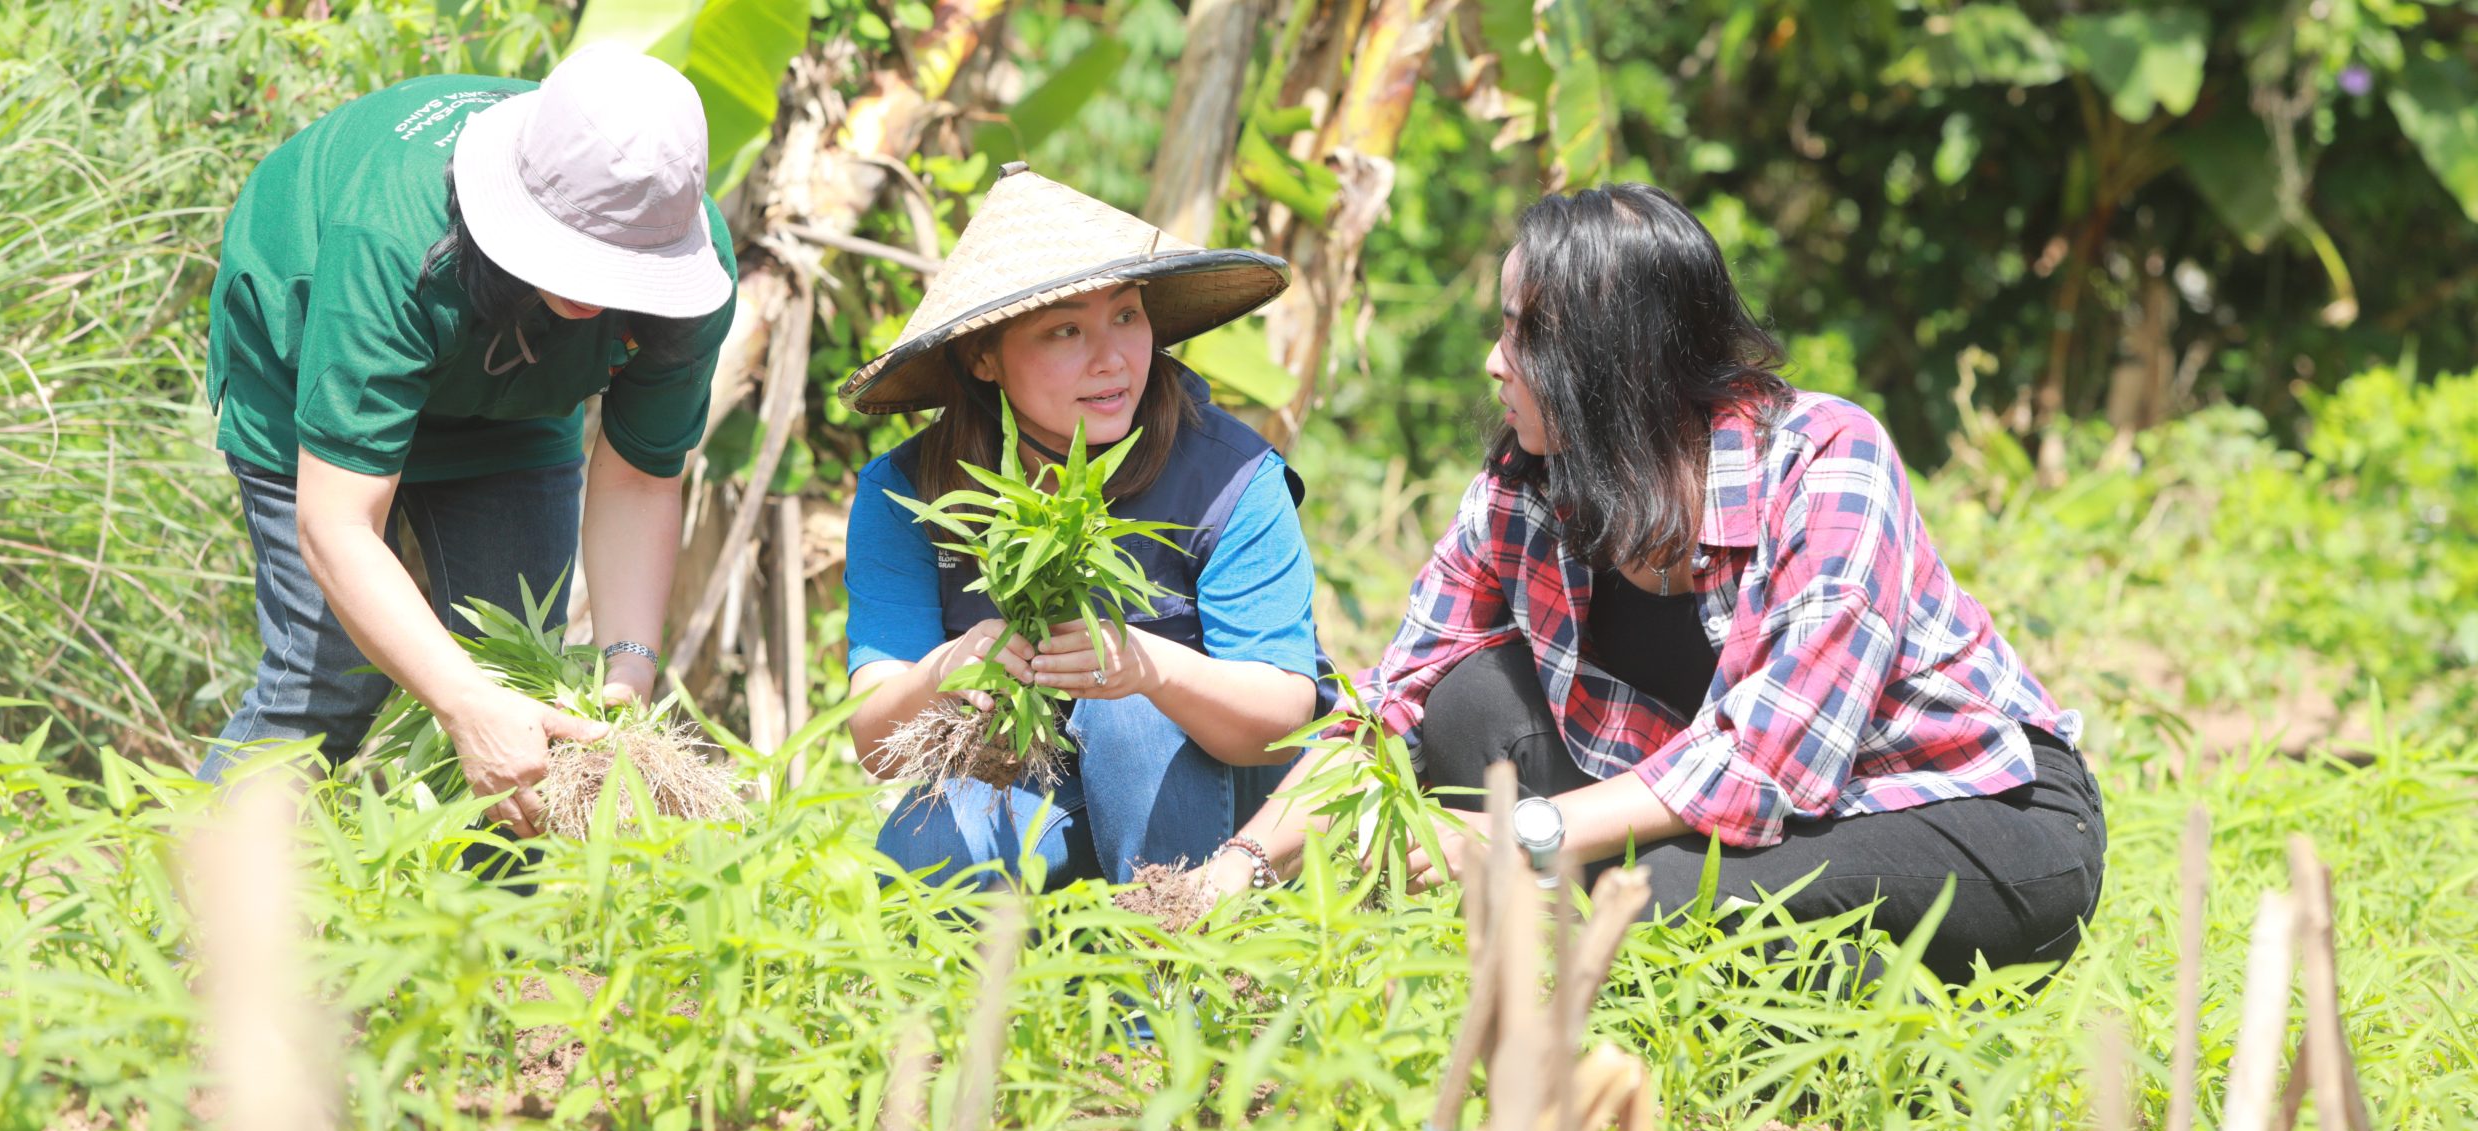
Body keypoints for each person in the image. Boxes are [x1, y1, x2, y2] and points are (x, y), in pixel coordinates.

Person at [1196, 183, 2104, 984]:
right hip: (1716, 809)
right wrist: (1241, 862)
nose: (1492, 362)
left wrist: (1518, 832)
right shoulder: (1523, 491)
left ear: (1612, 360)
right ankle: (1723, 974)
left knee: (1657, 898)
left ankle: (1904, 1021)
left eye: (1523, 334)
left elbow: (1763, 769)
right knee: (1466, 702)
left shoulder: (1827, 462)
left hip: (1964, 806)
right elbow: (1390, 704)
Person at [197, 45, 737, 849]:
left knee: (520, 679)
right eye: (578, 260)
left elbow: (640, 481)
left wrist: (628, 664)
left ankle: (480, 957)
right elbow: (336, 523)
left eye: (623, 273)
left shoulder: (689, 265)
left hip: (510, 403)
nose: (593, 295)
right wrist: (459, 704)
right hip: (309, 345)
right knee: (330, 680)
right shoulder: (390, 234)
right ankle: (185, 930)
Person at [841, 164, 1323, 889]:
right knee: (926, 845)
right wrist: (945, 670)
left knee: (1128, 715)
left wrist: (1148, 667)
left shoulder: (1230, 478)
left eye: (1126, 315)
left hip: (1231, 803)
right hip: (1040, 786)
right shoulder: (912, 493)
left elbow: (1284, 715)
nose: (1113, 358)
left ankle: (1170, 976)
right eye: (1066, 329)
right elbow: (877, 741)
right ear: (982, 356)